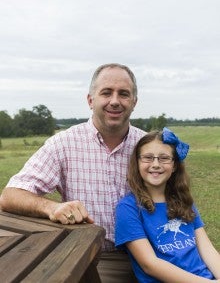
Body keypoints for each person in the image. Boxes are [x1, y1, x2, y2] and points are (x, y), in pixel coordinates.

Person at [0, 63, 146, 283]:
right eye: (106, 92)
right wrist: (53, 207)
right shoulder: (64, 143)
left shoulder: (149, 145)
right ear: (90, 100)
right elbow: (10, 195)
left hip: (153, 252)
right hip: (96, 257)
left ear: (134, 102)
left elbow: (180, 202)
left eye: (124, 94)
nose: (115, 101)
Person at [115, 127, 220, 283]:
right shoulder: (128, 208)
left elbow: (207, 249)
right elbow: (150, 264)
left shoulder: (183, 200)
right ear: (137, 163)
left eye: (164, 158)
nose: (156, 164)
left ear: (175, 165)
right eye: (148, 157)